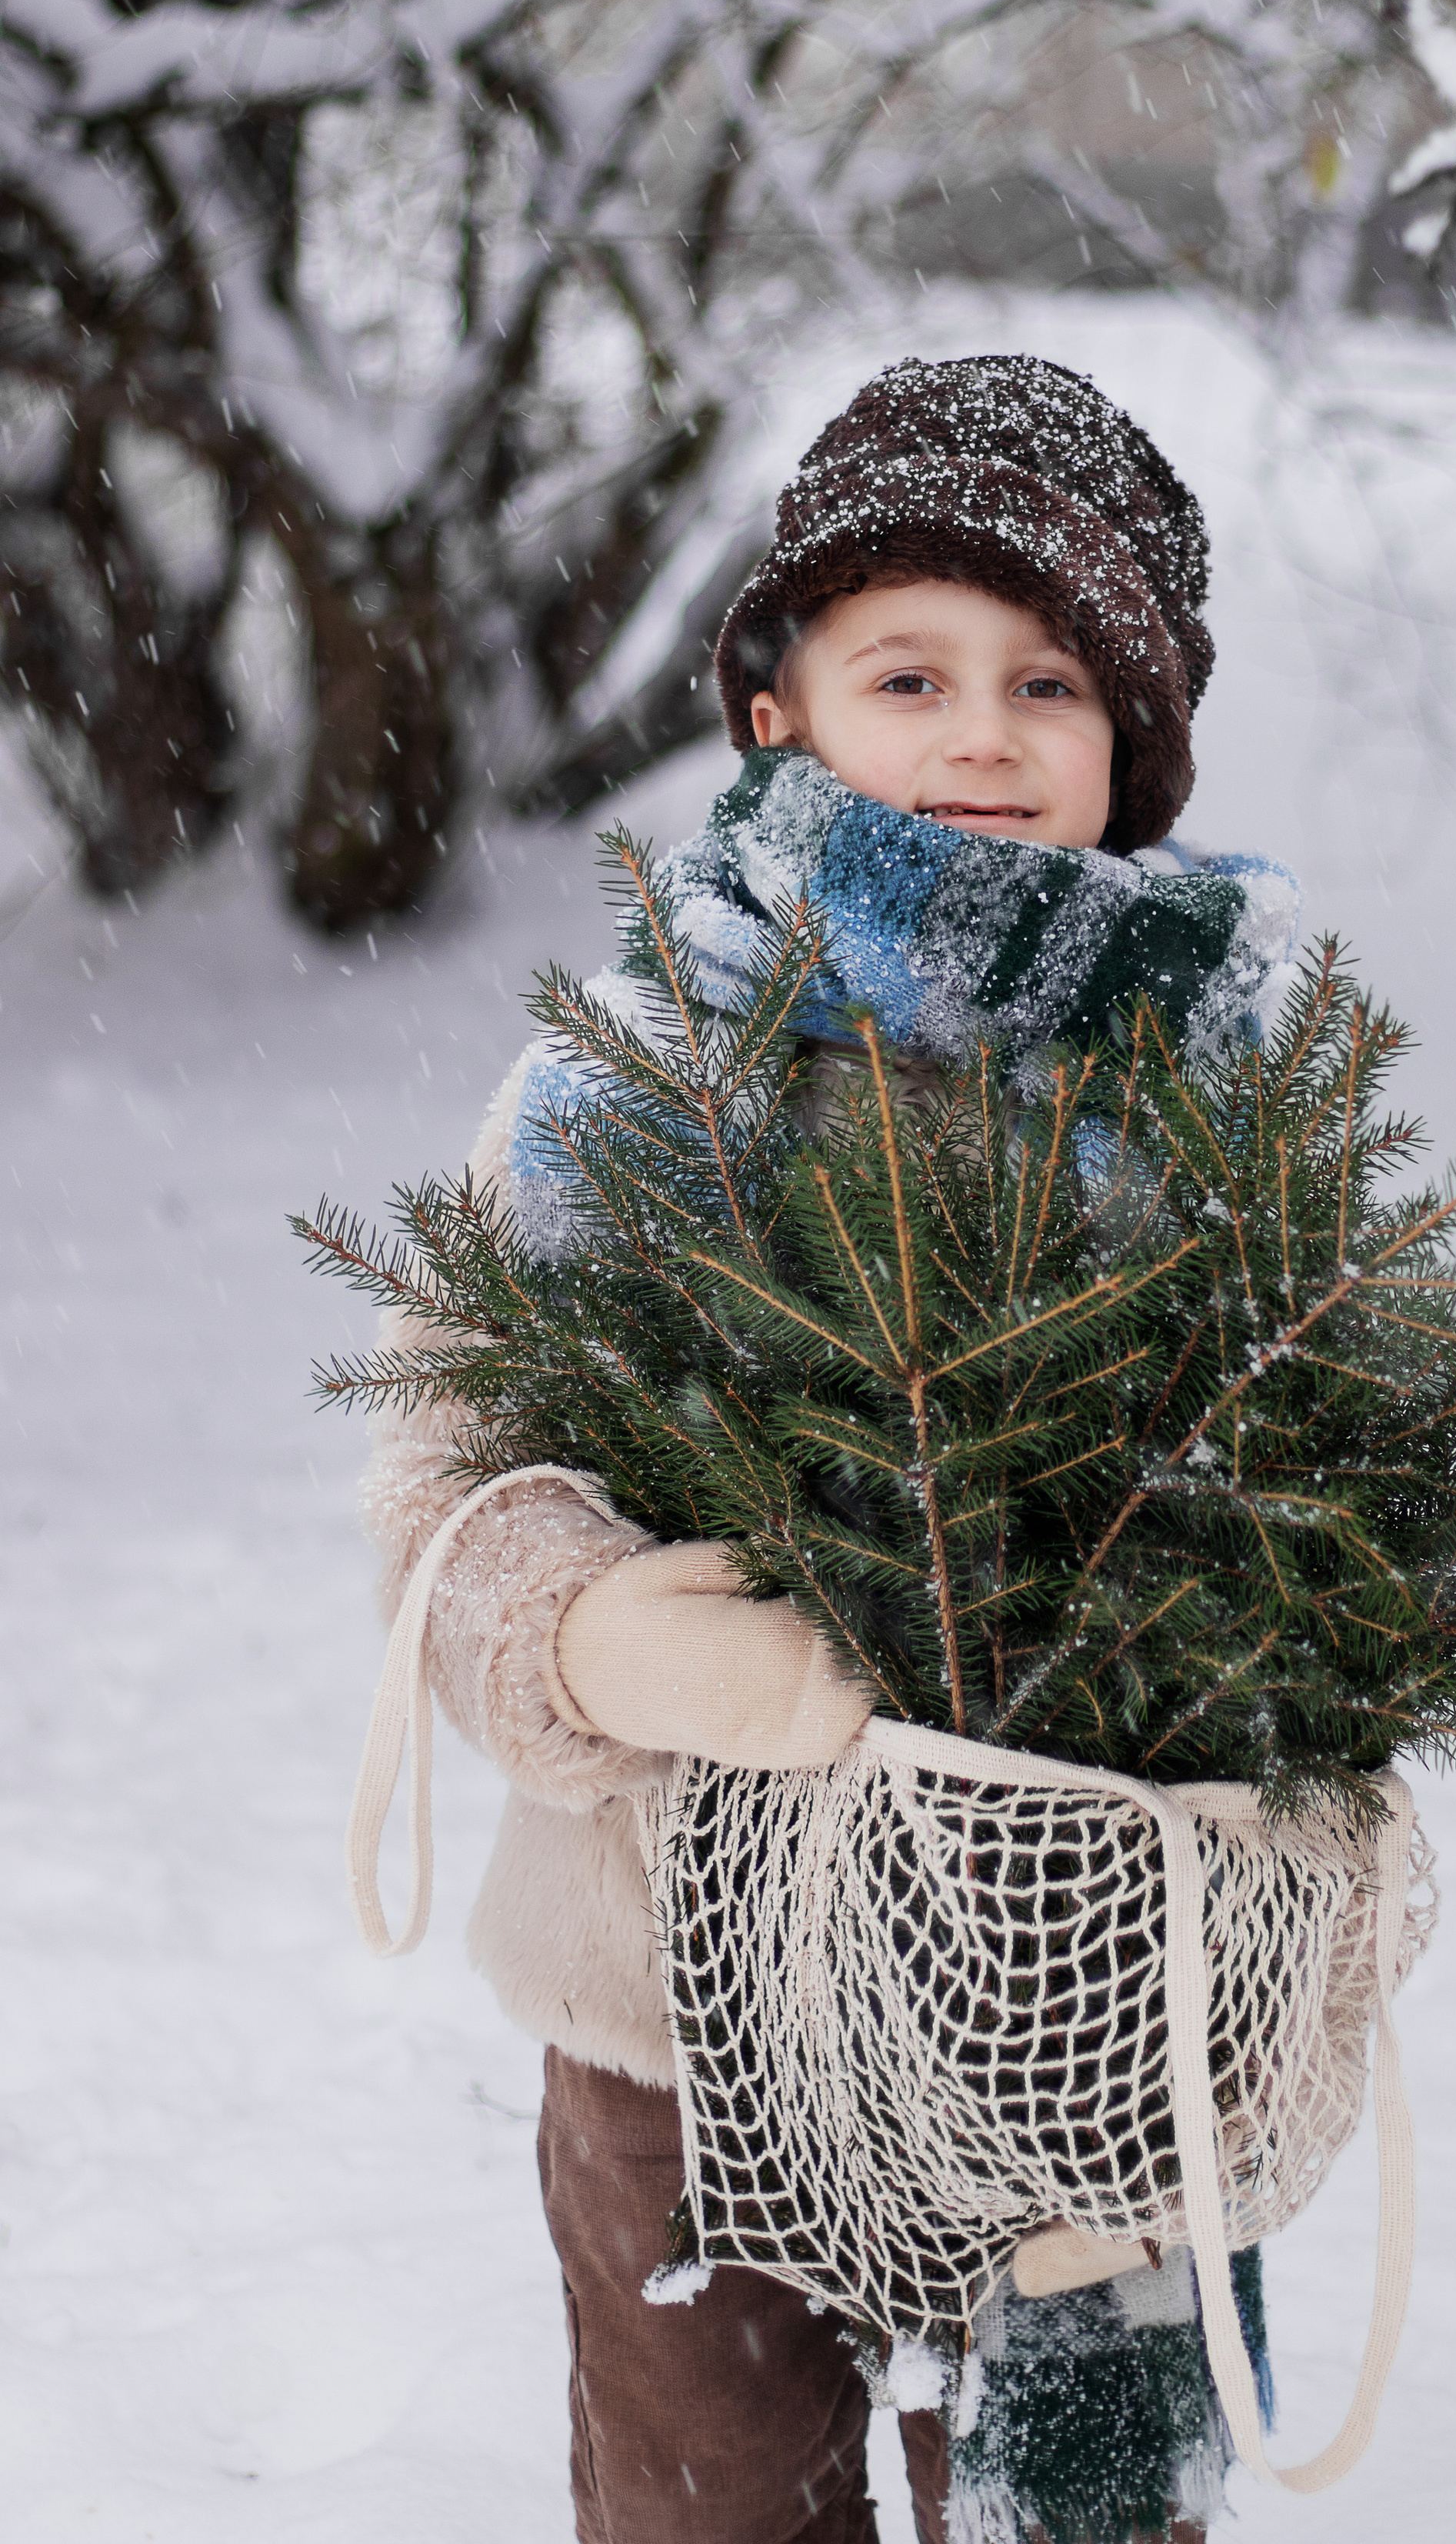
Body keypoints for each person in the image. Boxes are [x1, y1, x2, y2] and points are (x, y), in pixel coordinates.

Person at [356, 355, 1298, 2544]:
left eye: (1050, 683)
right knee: (709, 2498)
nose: (983, 734)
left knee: (1079, 2514)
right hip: (677, 2001)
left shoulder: (1205, 1101)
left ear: (1134, 749)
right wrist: (591, 1637)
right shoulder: (641, 1075)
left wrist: (1278, 1779)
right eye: (909, 675)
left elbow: (1338, 1507)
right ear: (782, 717)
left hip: (1078, 2006)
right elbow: (442, 1476)